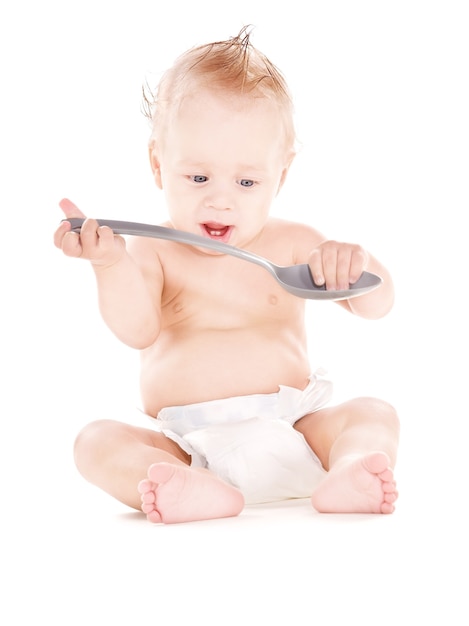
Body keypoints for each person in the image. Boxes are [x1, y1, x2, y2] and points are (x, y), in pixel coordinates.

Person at [54, 26, 399, 524]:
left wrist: (356, 265)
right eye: (198, 178)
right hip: (184, 449)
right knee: (95, 442)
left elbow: (378, 304)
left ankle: (347, 469)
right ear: (157, 164)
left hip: (296, 432)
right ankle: (193, 491)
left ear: (280, 176)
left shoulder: (295, 242)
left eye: (246, 181)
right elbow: (137, 331)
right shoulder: (154, 250)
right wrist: (110, 264)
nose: (220, 198)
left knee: (375, 413)